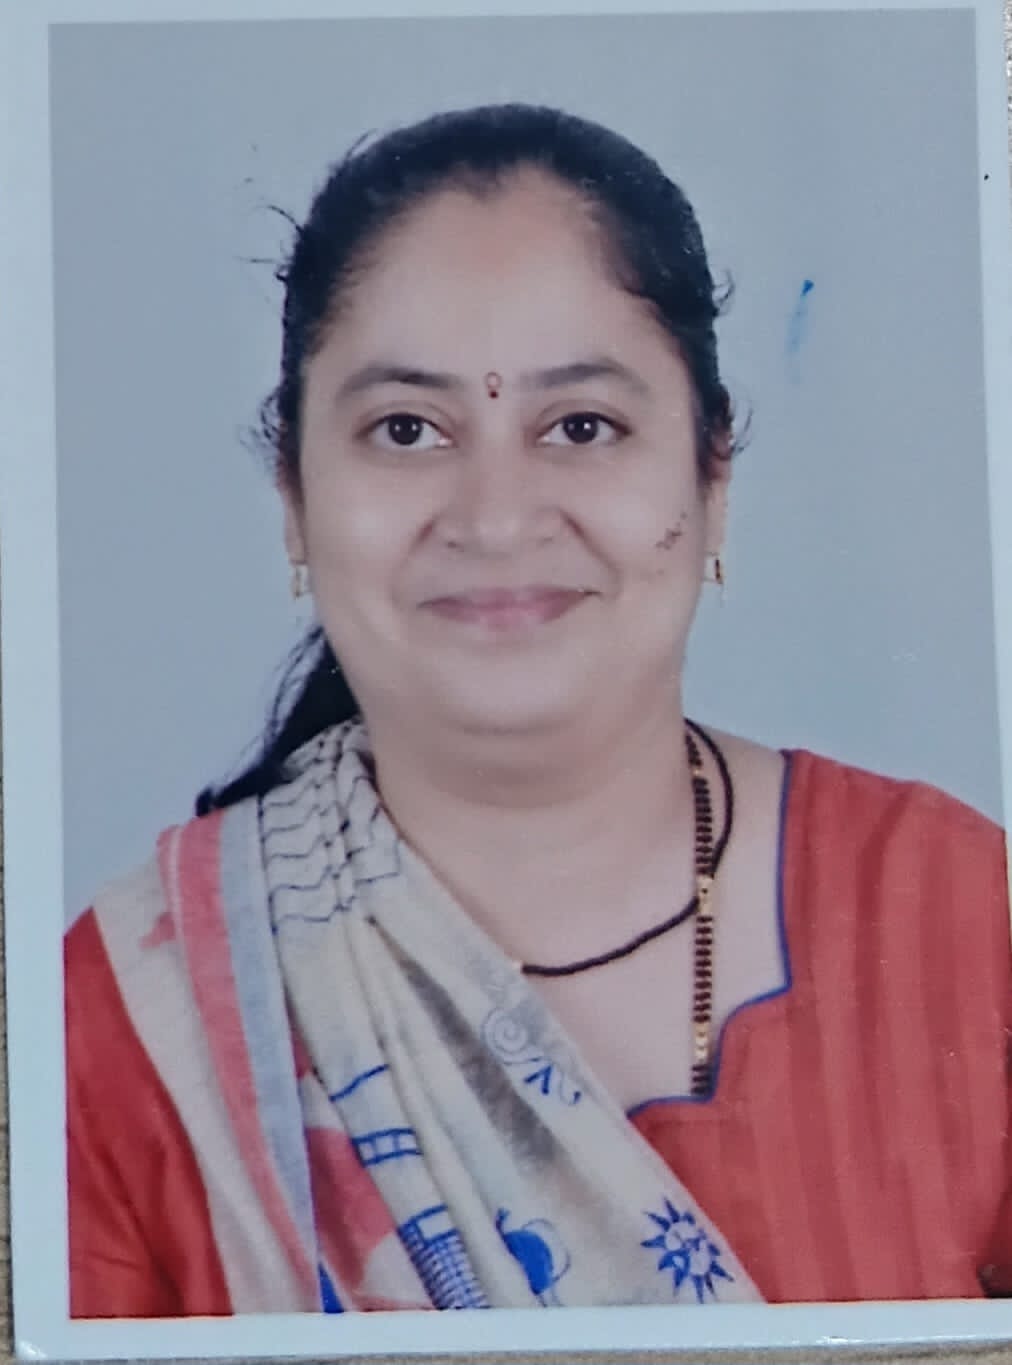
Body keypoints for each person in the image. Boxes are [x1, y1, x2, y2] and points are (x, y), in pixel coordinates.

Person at [65, 102, 1012, 1319]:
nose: (496, 516)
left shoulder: (955, 919)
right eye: (407, 429)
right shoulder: (121, 1033)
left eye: (580, 426)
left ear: (711, 478)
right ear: (295, 498)